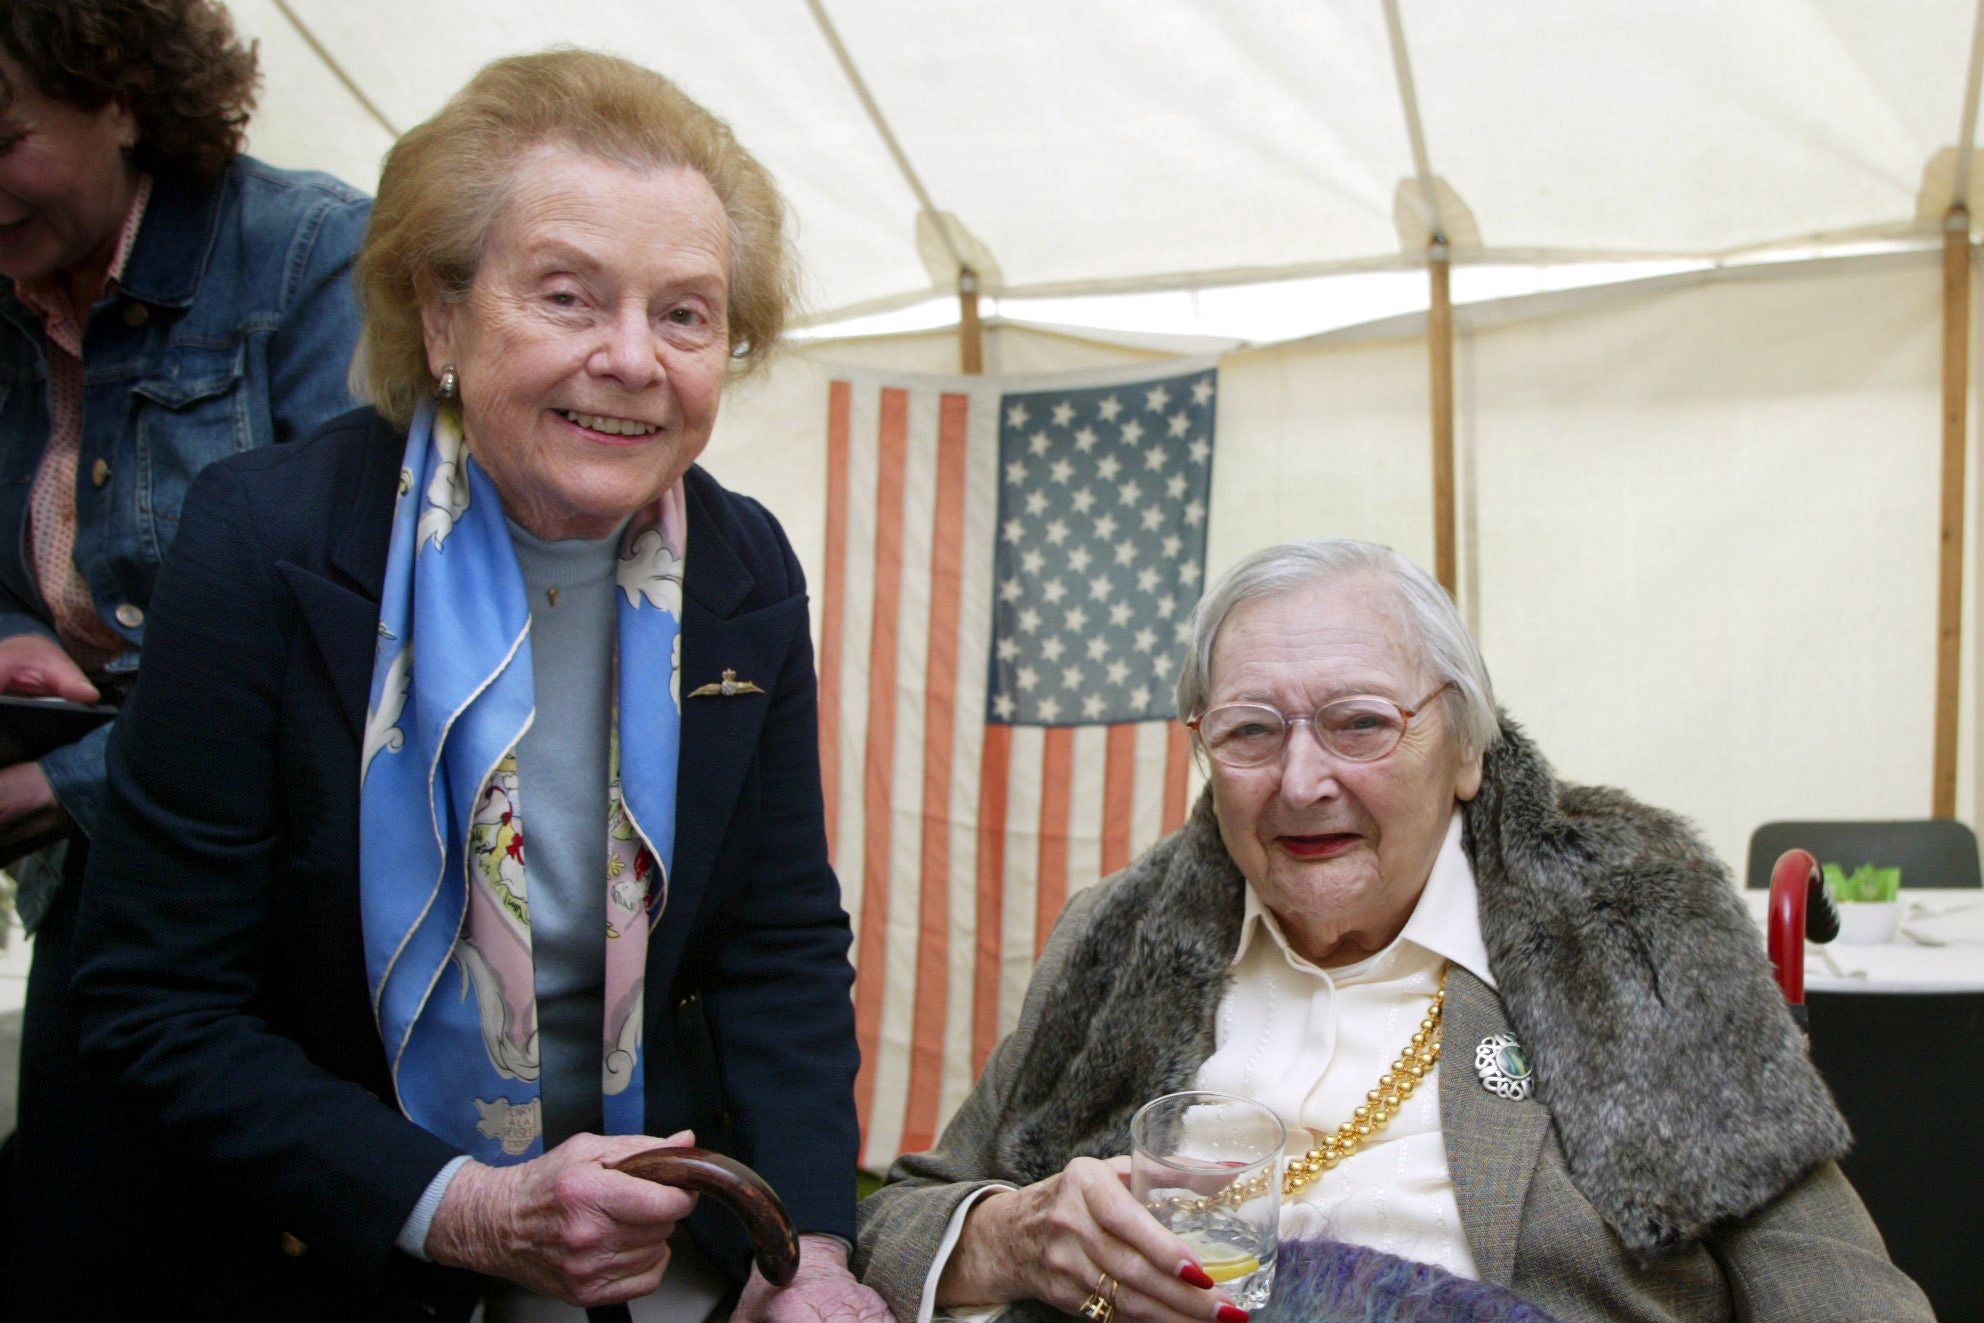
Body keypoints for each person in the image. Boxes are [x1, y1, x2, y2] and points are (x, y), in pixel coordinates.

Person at [71, 49, 885, 1323]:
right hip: (329, 1243)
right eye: (569, 298)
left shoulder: (741, 566)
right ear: (441, 316)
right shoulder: (264, 543)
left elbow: (779, 943)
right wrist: (463, 1209)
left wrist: (813, 1254)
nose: (632, 358)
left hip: (646, 1243)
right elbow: (154, 999)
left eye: (684, 313)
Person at [855, 539, 1931, 1323]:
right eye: (1250, 731)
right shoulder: (1118, 940)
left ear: (1464, 750)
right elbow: (898, 1221)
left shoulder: (1628, 932)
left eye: (1360, 722)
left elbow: (1831, 1283)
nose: (1301, 779)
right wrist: (1013, 1236)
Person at [0, 1, 367, 1314]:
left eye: (5, 137)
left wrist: (67, 781)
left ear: (123, 95)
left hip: (275, 904)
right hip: (99, 883)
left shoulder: (312, 255)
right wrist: (19, 641)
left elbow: (339, 629)